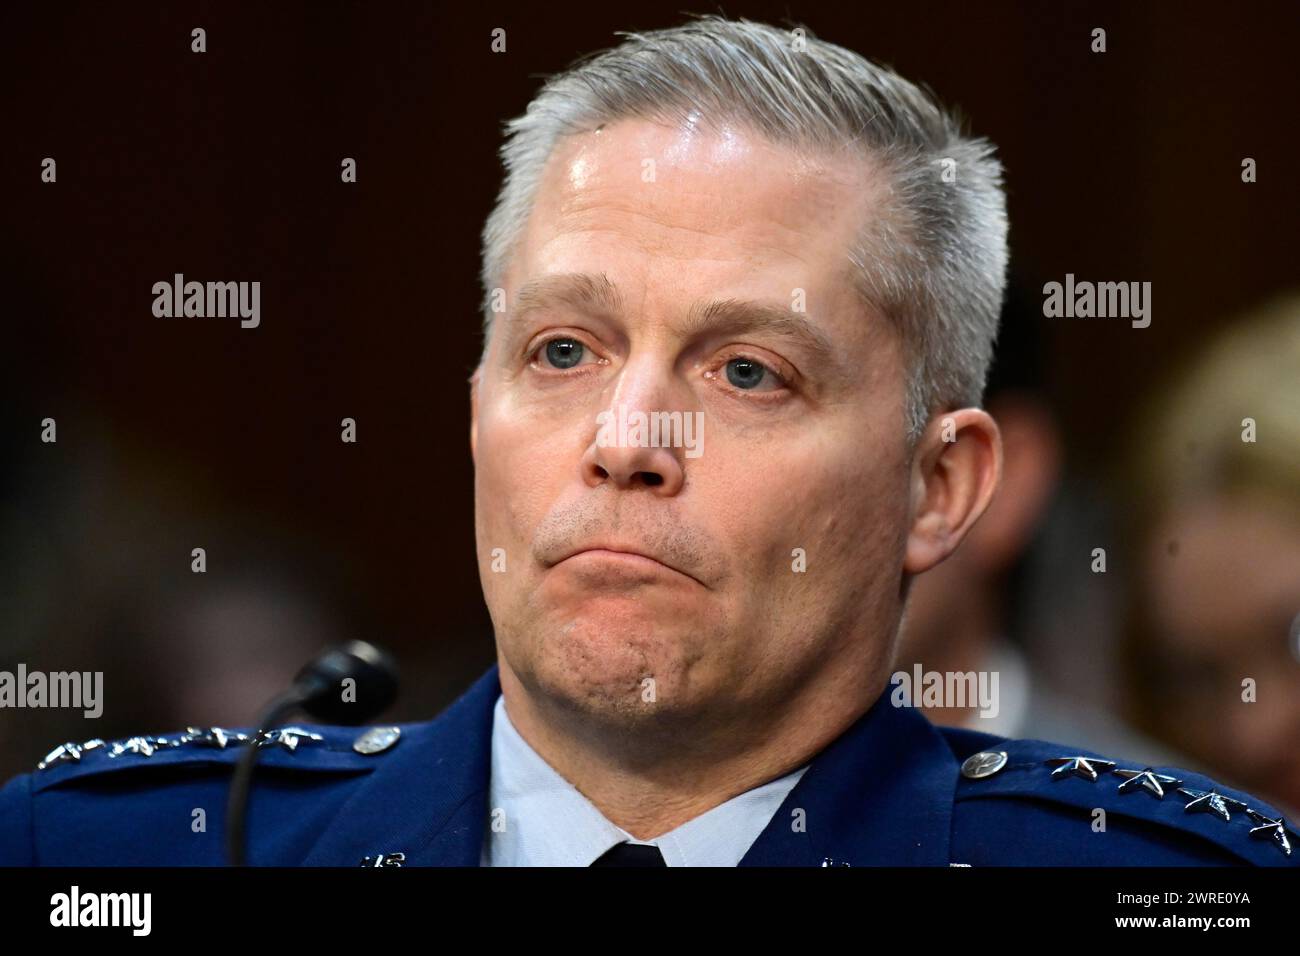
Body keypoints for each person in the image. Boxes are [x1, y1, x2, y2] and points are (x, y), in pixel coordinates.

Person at [0, 15, 1294, 867]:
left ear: (937, 486)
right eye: (562, 352)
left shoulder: (1178, 887)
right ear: (474, 410)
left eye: (746, 371)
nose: (626, 441)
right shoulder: (101, 857)